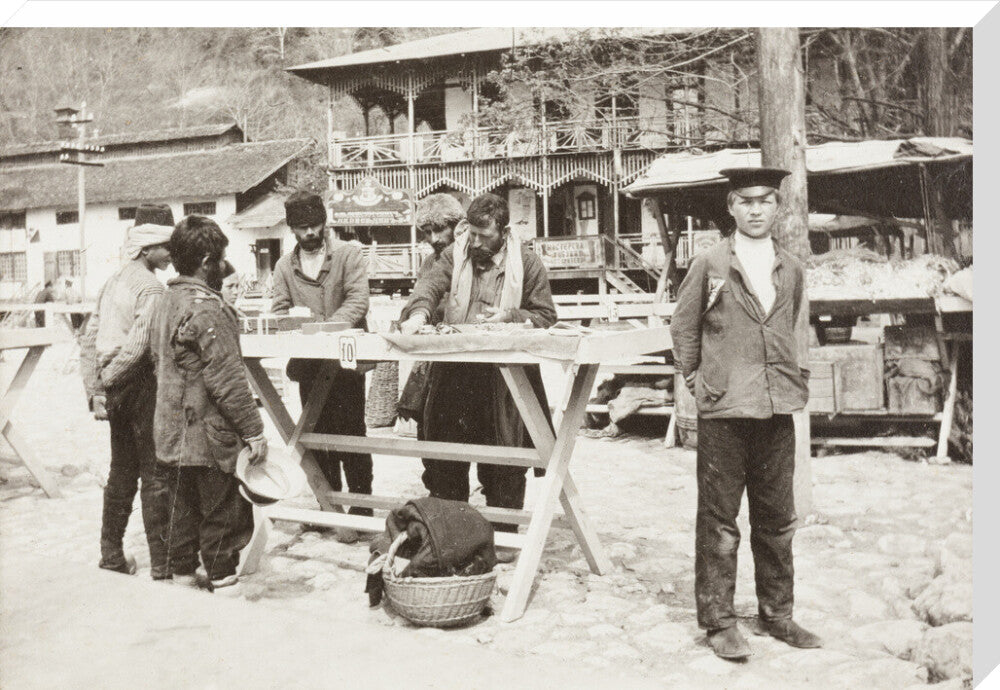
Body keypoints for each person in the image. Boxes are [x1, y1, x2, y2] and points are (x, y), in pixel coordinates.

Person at [669, 167, 821, 660]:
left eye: (766, 201)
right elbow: (684, 325)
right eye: (746, 201)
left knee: (777, 518)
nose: (756, 210)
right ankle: (719, 622)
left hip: (777, 406)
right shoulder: (711, 263)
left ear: (778, 209)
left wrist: (795, 376)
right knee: (719, 520)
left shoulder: (792, 267)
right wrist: (696, 381)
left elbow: (794, 324)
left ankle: (777, 614)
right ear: (731, 207)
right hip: (725, 408)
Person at [397, 192, 557, 530]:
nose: (477, 242)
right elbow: (429, 286)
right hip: (454, 373)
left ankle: (504, 530)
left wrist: (512, 315)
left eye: (485, 236)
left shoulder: (527, 263)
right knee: (445, 458)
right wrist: (419, 315)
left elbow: (545, 315)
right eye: (472, 233)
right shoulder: (456, 255)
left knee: (505, 461)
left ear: (503, 230)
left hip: (504, 381)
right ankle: (453, 532)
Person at [151, 215, 267, 589]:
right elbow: (228, 380)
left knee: (181, 518)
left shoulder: (167, 300)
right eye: (219, 260)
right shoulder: (207, 308)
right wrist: (254, 432)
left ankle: (183, 583)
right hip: (207, 440)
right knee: (222, 521)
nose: (222, 268)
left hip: (171, 436)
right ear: (206, 262)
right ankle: (224, 585)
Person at [79, 203, 174, 577]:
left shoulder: (113, 280)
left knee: (121, 471)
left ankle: (112, 555)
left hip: (114, 386)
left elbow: (88, 339)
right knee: (154, 474)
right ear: (147, 248)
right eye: (167, 246)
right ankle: (163, 564)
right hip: (137, 383)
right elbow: (137, 347)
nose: (172, 253)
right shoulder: (151, 288)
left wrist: (96, 389)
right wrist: (109, 381)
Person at [271, 191, 373, 533]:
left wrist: (327, 329)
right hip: (309, 367)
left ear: (325, 222)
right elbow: (280, 310)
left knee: (352, 436)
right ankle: (328, 507)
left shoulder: (348, 255)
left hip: (345, 364)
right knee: (316, 436)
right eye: (303, 228)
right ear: (292, 230)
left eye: (315, 225)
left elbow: (358, 300)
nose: (311, 233)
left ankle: (361, 512)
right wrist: (297, 325)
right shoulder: (285, 267)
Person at [396, 194, 465, 459]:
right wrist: (417, 315)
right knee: (437, 451)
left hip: (469, 358)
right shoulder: (429, 263)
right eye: (427, 232)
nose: (434, 239)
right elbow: (418, 299)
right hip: (437, 365)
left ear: (458, 225)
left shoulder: (470, 256)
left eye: (440, 229)